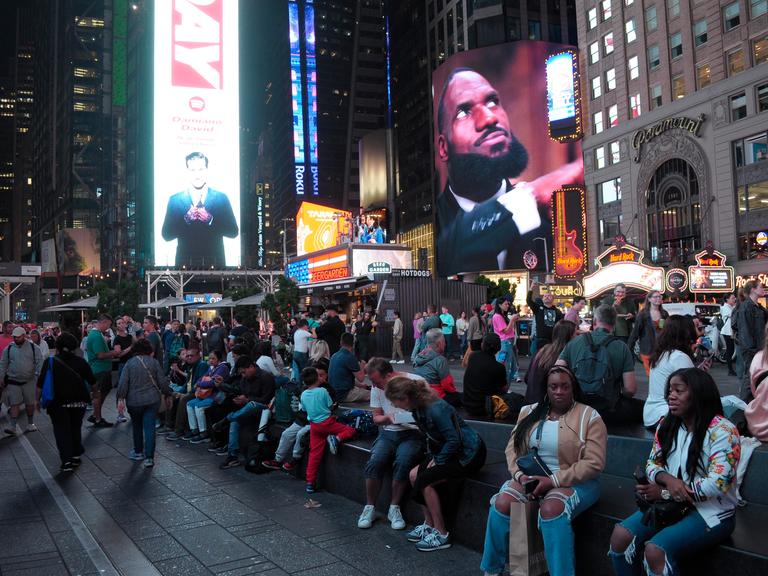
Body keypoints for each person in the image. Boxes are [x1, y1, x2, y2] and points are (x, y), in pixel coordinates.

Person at [434, 68, 582, 276]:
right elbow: (451, 250)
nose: (488, 118)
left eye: (492, 102)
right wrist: (532, 195)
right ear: (443, 147)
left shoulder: (547, 221)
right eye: (463, 112)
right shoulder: (435, 226)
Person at [609, 368, 741, 576]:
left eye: (679, 391)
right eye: (670, 390)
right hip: (671, 505)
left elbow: (717, 483)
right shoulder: (667, 424)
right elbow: (653, 463)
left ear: (698, 394)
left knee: (655, 550)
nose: (671, 395)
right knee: (620, 537)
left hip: (712, 512)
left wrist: (665, 492)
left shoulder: (723, 431)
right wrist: (667, 480)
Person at [481, 366, 607, 576]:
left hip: (576, 481)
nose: (559, 391)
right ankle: (491, 570)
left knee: (551, 509)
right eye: (554, 386)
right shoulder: (528, 412)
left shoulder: (589, 416)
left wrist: (552, 481)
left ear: (573, 388)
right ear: (546, 389)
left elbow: (594, 463)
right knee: (502, 504)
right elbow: (512, 449)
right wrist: (520, 477)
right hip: (529, 477)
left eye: (565, 386)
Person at [385, 375, 487, 552]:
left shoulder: (435, 409)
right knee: (413, 475)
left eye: (395, 402)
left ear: (405, 398)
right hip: (449, 451)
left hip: (470, 454)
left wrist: (439, 460)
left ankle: (441, 533)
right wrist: (434, 456)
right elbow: (432, 436)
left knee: (425, 480)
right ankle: (429, 524)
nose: (394, 406)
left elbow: (454, 440)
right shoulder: (417, 407)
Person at [357, 359, 426, 530]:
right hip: (388, 432)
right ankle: (369, 507)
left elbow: (427, 411)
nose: (374, 385)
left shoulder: (415, 382)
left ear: (389, 376)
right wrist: (388, 418)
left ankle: (394, 508)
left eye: (376, 381)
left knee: (404, 460)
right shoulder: (376, 388)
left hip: (412, 433)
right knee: (375, 460)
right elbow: (376, 417)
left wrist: (411, 417)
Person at [556, 304, 638, 425]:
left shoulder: (575, 342)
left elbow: (557, 371)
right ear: (614, 324)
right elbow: (630, 389)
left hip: (578, 409)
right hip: (608, 412)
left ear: (594, 321)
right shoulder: (622, 347)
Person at [161, 151, 238, 268]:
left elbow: (233, 232)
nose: (197, 175)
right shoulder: (175, 200)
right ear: (187, 172)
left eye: (201, 169)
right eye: (193, 170)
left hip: (216, 268)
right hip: (185, 269)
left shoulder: (221, 198)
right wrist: (186, 219)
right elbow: (166, 235)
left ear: (207, 170)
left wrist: (211, 220)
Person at [36, 333, 94, 472]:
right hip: (78, 404)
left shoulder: (50, 362)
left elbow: (40, 384)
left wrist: (36, 400)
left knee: (62, 431)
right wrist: (95, 393)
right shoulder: (81, 362)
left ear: (58, 346)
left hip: (58, 404)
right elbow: (92, 381)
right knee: (75, 428)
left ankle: (66, 460)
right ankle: (75, 455)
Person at [262, 358, 332, 472]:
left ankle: (295, 459)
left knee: (300, 435)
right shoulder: (306, 390)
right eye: (316, 375)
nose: (319, 378)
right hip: (302, 419)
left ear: (326, 376)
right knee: (286, 434)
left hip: (316, 421)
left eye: (321, 375)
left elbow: (330, 406)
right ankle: (277, 459)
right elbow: (302, 407)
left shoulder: (326, 390)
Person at [117, 339, 172, 468]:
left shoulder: (129, 363)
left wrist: (121, 399)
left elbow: (123, 384)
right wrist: (168, 394)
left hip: (134, 401)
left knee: (136, 426)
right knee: (149, 427)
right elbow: (162, 382)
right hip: (152, 400)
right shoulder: (154, 362)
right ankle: (149, 458)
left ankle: (137, 452)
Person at [302, 366, 357, 493]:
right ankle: (335, 438)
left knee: (314, 455)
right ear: (317, 378)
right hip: (327, 423)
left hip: (314, 426)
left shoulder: (304, 394)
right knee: (350, 430)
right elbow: (329, 406)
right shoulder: (322, 391)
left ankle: (310, 483)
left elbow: (304, 409)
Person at [216, 356, 276, 469]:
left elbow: (266, 399)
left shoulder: (265, 377)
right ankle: (232, 455)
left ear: (251, 367)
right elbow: (240, 391)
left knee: (251, 405)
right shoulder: (245, 379)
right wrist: (239, 398)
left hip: (264, 409)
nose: (243, 375)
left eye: (244, 372)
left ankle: (227, 419)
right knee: (235, 421)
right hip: (248, 409)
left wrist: (247, 400)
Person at [644, 316, 703, 429]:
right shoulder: (679, 357)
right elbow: (695, 388)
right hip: (667, 414)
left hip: (651, 414)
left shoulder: (661, 354)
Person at [463, 333, 523, 419]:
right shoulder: (499, 367)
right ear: (498, 348)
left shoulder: (473, 357)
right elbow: (504, 389)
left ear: (483, 345)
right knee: (517, 399)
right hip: (485, 408)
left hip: (468, 404)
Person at [524, 320, 577, 403]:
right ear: (569, 336)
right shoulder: (564, 356)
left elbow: (526, 378)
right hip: (545, 406)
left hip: (530, 402)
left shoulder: (543, 350)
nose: (578, 337)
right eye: (576, 334)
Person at [184, 350, 230, 444]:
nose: (211, 360)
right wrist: (198, 382)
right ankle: (194, 429)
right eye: (210, 358)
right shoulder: (211, 368)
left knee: (198, 407)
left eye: (213, 358)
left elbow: (212, 383)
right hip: (206, 394)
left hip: (215, 396)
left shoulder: (223, 368)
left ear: (219, 359)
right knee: (189, 404)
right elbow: (202, 377)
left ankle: (203, 433)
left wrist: (199, 384)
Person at [733, 280, 767, 401]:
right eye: (760, 287)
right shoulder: (746, 307)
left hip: (759, 349)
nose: (763, 289)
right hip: (752, 351)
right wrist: (753, 350)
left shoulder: (759, 308)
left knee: (754, 376)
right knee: (749, 376)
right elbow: (745, 332)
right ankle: (742, 405)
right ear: (753, 289)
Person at [85, 315, 119, 428]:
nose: (108, 328)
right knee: (98, 394)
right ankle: (97, 418)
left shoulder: (96, 335)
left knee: (101, 392)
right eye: (108, 325)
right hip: (99, 370)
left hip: (101, 369)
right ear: (103, 322)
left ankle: (96, 415)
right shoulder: (96, 336)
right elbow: (100, 355)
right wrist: (114, 352)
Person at [412, 328, 459, 403]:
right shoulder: (440, 360)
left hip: (420, 396)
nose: (445, 344)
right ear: (439, 343)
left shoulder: (418, 356)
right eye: (444, 341)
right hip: (436, 397)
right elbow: (447, 385)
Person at [628, 291, 670, 375]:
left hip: (662, 350)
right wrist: (629, 348)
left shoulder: (664, 314)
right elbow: (635, 332)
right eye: (655, 297)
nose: (658, 298)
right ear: (649, 299)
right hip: (647, 349)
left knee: (662, 374)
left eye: (659, 296)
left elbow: (668, 331)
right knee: (651, 374)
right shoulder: (643, 314)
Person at [328, 332, 370, 402]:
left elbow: (344, 377)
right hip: (344, 394)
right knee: (373, 395)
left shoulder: (334, 355)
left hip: (333, 392)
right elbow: (361, 378)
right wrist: (362, 366)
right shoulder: (349, 357)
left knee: (362, 389)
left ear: (341, 342)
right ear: (353, 344)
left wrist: (361, 386)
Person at [528, 282, 565, 350]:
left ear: (553, 299)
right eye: (545, 296)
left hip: (553, 340)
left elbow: (561, 325)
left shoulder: (558, 312)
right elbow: (529, 301)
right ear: (542, 299)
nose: (547, 297)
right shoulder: (538, 308)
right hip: (541, 340)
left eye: (549, 296)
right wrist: (531, 288)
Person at [492, 296, 520, 383]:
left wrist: (513, 320)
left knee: (512, 367)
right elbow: (506, 331)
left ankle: (504, 387)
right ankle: (503, 388)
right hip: (505, 343)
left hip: (507, 342)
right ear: (500, 305)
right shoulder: (497, 316)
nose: (507, 305)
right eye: (505, 304)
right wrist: (512, 320)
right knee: (506, 367)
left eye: (508, 304)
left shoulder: (502, 315)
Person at [113, 317, 135, 423]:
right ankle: (120, 414)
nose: (121, 324)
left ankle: (132, 411)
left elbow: (137, 345)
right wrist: (129, 348)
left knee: (132, 388)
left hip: (132, 364)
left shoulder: (130, 336)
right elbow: (118, 354)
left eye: (122, 323)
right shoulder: (117, 339)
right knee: (122, 389)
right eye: (118, 323)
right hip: (123, 365)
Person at [721, 293, 737, 377]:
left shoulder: (731, 307)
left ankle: (731, 369)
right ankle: (730, 370)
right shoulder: (725, 308)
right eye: (733, 298)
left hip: (730, 331)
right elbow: (733, 314)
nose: (734, 299)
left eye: (734, 298)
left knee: (731, 350)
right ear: (727, 299)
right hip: (727, 332)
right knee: (730, 350)